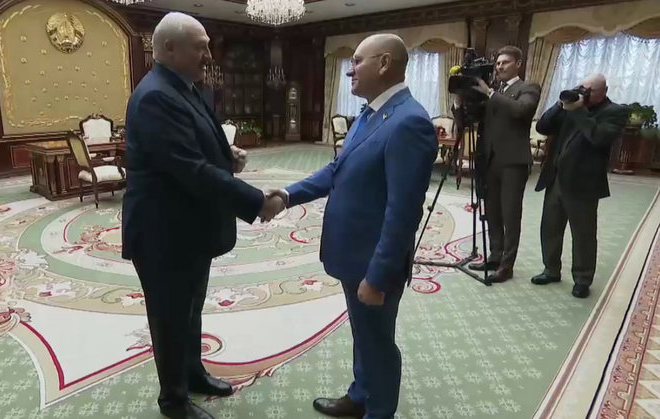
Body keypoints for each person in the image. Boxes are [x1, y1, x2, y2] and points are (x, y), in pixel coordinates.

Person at [120, 12, 283, 419]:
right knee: (170, 319)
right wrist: (256, 201)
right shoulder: (155, 96)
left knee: (190, 312)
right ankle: (173, 401)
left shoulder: (185, 88)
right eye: (200, 46)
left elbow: (196, 148)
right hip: (163, 234)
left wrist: (227, 156)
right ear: (169, 48)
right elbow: (189, 169)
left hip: (189, 230)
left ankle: (192, 374)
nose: (209, 55)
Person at [267, 34, 438, 419]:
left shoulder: (410, 122)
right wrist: (287, 195)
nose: (350, 70)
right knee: (363, 333)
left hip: (374, 261)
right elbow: (337, 170)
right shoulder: (371, 112)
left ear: (384, 63)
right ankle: (360, 396)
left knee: (378, 342)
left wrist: (378, 276)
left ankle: (379, 411)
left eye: (357, 61)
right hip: (352, 254)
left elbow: (402, 213)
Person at [530, 73, 628, 298]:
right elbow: (543, 127)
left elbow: (598, 137)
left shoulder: (614, 112)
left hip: (583, 183)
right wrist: (559, 105)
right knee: (550, 228)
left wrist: (579, 110)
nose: (585, 93)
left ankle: (582, 279)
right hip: (556, 178)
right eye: (582, 88)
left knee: (583, 234)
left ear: (604, 91)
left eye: (590, 91)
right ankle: (551, 270)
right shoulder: (570, 106)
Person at [453, 46, 541, 282]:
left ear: (518, 64)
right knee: (492, 212)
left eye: (505, 62)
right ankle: (494, 255)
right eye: (498, 63)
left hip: (513, 161)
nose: (499, 66)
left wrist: (490, 93)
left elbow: (522, 110)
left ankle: (506, 266)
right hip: (489, 160)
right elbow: (468, 121)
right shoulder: (493, 91)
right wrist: (460, 100)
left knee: (510, 214)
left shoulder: (528, 88)